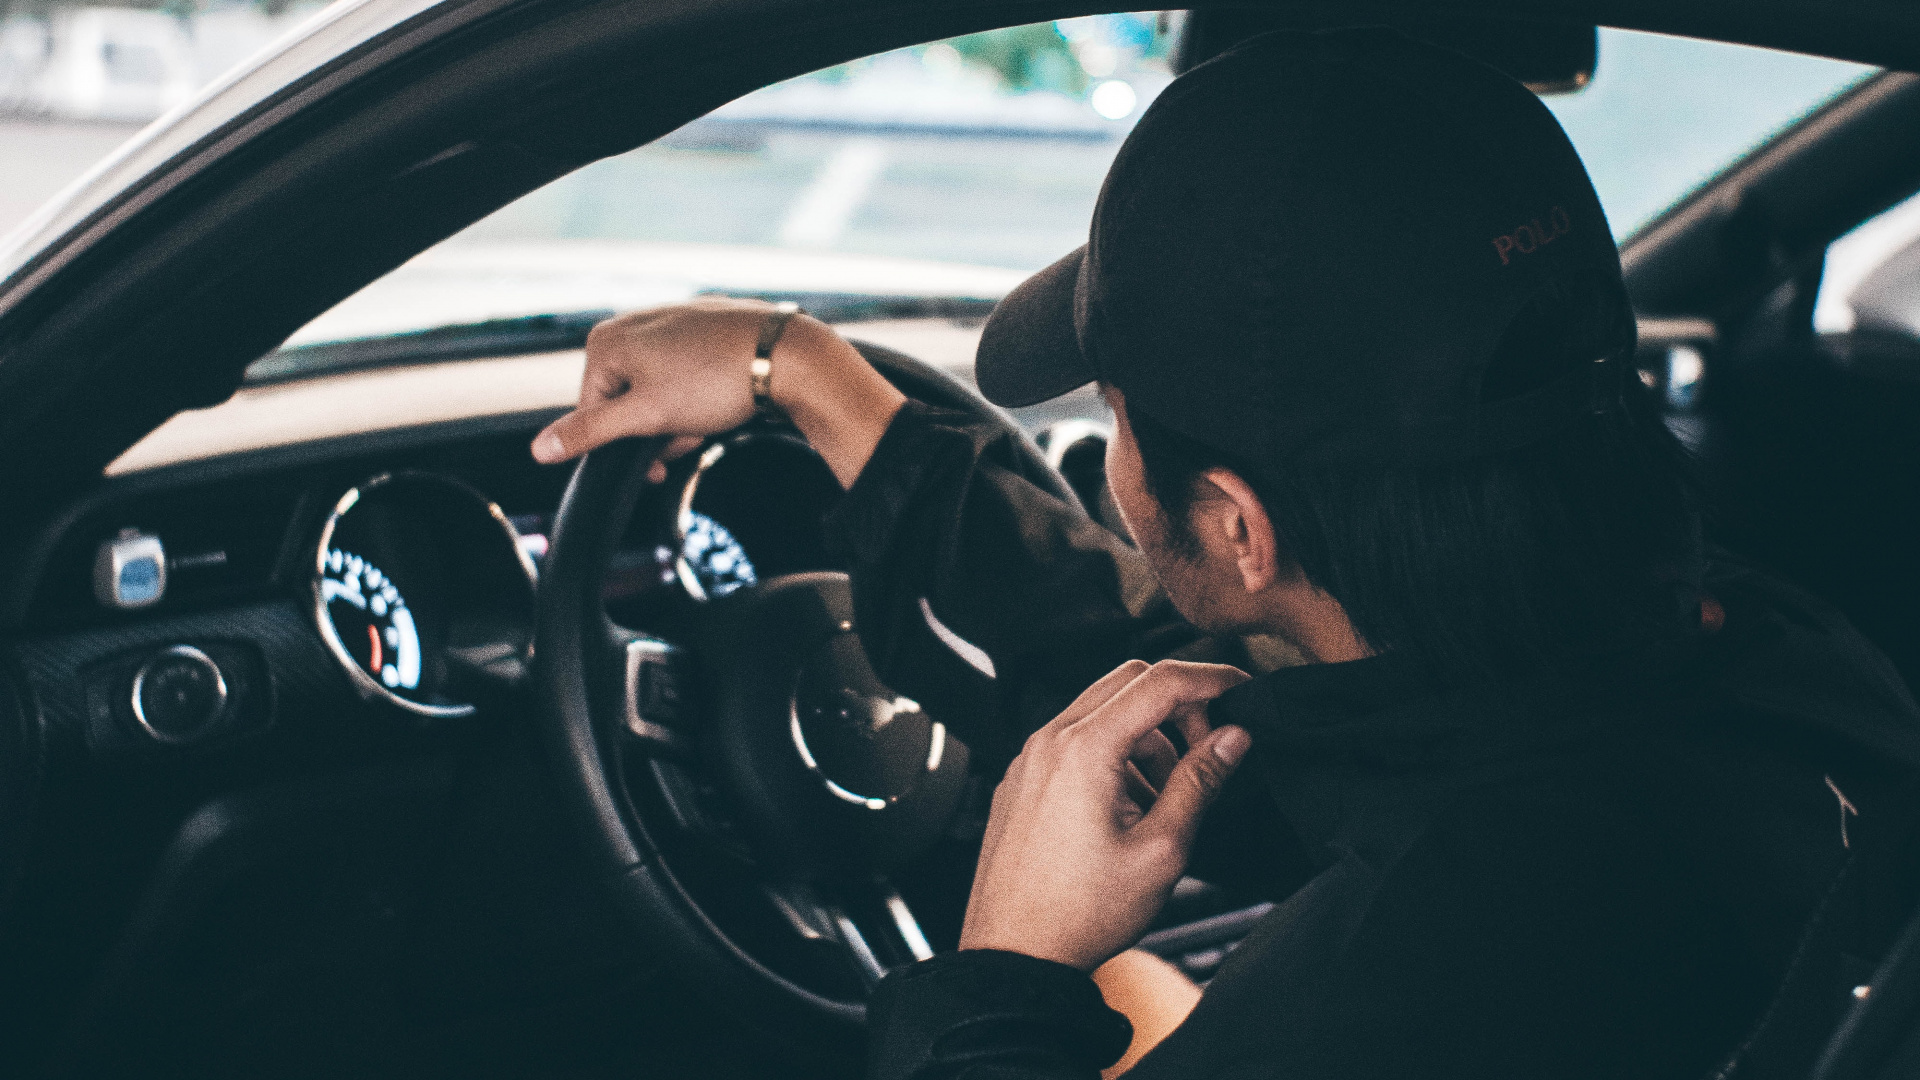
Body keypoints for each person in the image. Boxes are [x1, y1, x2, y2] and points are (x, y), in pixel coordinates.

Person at [533, 28, 1920, 1080]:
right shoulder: (1742, 659)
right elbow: (1229, 699)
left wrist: (1007, 974)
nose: (1115, 470)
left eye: (1119, 425)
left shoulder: (1403, 988)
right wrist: (814, 380)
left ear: (1242, 530)